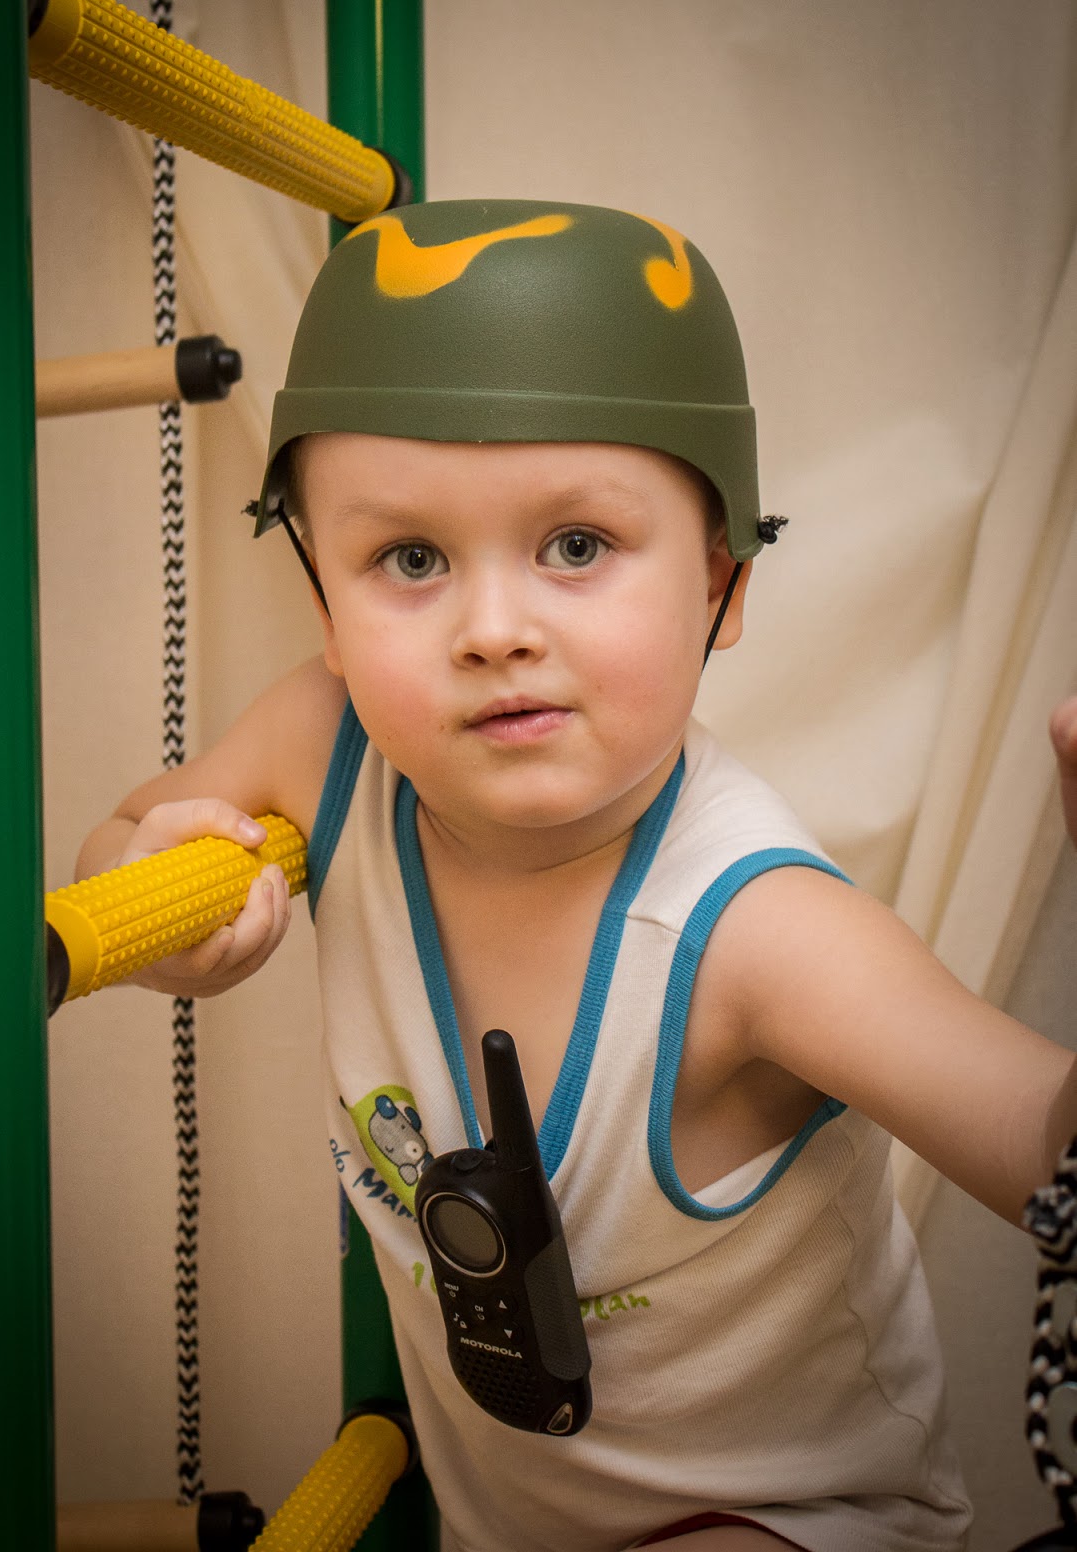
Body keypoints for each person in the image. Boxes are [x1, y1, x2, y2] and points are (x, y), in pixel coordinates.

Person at [77, 200, 1077, 1552]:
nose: (495, 630)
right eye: (410, 560)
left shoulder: (758, 933)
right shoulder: (327, 745)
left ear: (721, 584)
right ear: (326, 611)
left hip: (788, 1520)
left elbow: (1041, 1144)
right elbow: (126, 831)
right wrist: (153, 895)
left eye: (576, 547)